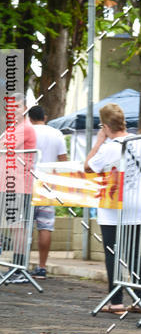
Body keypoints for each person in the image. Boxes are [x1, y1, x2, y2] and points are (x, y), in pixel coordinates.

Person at [85, 103, 141, 314]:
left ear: (105, 126)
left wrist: (98, 143)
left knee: (112, 252)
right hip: (139, 203)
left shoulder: (108, 148)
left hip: (114, 205)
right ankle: (140, 299)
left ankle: (115, 301)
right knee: (134, 253)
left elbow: (87, 167)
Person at [28, 105, 68, 279]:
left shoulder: (25, 133)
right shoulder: (56, 134)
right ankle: (42, 267)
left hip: (26, 184)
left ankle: (20, 264)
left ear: (29, 118)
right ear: (45, 117)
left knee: (23, 226)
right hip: (47, 185)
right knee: (45, 227)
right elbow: (63, 161)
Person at [0, 94, 36, 284]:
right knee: (14, 227)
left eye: (18, 106)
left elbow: (4, 146)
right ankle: (16, 266)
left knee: (18, 227)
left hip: (19, 185)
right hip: (8, 184)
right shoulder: (13, 128)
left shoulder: (25, 129)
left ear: (26, 107)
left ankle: (19, 267)